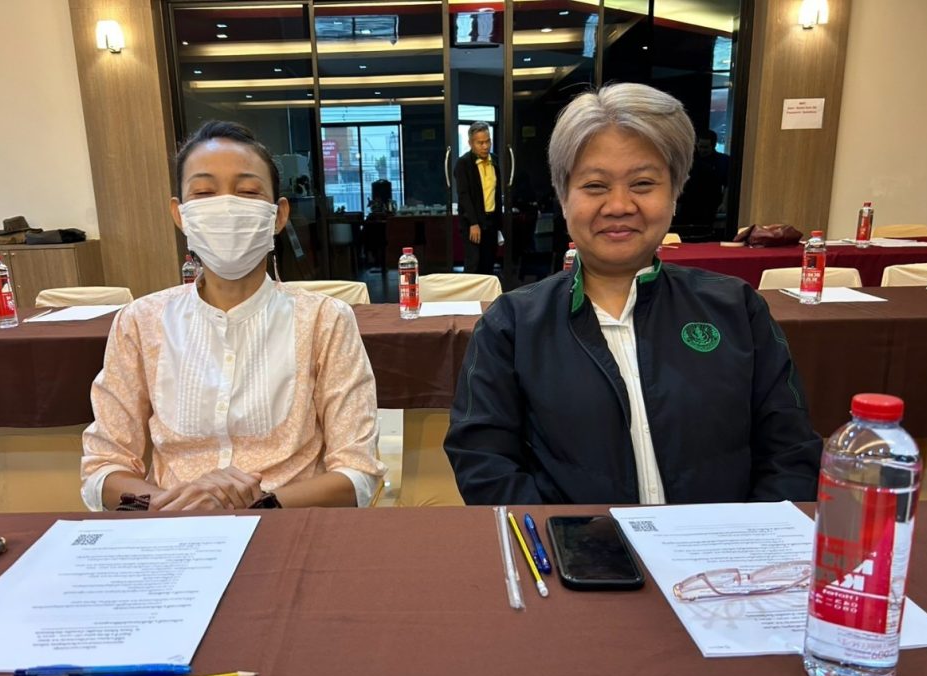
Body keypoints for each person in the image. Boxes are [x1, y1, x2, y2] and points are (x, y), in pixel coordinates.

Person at [444, 84, 821, 506]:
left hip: (727, 549)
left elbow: (791, 453)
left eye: (643, 183)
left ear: (674, 192)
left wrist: (747, 538)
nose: (619, 205)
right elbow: (483, 462)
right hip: (571, 548)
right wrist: (564, 536)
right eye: (595, 186)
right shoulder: (511, 325)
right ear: (564, 197)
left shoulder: (737, 308)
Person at [82, 120, 385, 512]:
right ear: (180, 214)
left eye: (247, 192)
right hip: (171, 526)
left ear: (278, 215)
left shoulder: (325, 320)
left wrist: (261, 504)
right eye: (204, 193)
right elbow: (102, 471)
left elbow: (358, 474)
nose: (225, 207)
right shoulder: (141, 322)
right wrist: (175, 504)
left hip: (288, 523)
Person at [454, 122, 503, 275]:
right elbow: (464, 195)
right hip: (473, 222)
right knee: (473, 264)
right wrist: (473, 223)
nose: (485, 146)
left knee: (488, 264)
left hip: (491, 221)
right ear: (470, 143)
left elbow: (496, 192)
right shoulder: (463, 163)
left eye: (488, 141)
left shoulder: (494, 160)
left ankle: (487, 292)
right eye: (480, 143)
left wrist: (499, 224)